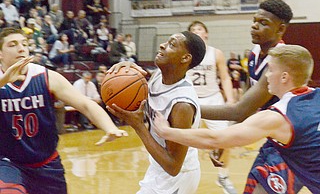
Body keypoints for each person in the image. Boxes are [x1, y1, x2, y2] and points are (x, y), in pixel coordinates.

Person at [154, 44, 319, 193]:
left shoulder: (277, 117)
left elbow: (215, 139)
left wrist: (166, 131)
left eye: (270, 70)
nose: (266, 75)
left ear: (284, 77)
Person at [0, 27, 127, 194]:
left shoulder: (46, 77)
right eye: (13, 44)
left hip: (47, 164)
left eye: (24, 43)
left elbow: (85, 104)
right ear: (0, 53)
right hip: (9, 163)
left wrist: (110, 127)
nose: (21, 48)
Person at [195, 0, 304, 193]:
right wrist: (225, 140)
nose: (255, 25)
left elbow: (239, 111)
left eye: (263, 23)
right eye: (254, 20)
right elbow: (248, 106)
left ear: (280, 29)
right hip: (276, 142)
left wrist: (186, 105)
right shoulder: (254, 55)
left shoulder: (281, 59)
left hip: (300, 146)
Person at [106, 31, 206, 194]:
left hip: (177, 177)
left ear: (185, 58)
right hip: (159, 170)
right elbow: (142, 99)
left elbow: (173, 166)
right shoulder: (159, 76)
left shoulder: (181, 105)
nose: (162, 45)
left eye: (172, 44)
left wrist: (139, 127)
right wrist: (129, 74)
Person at [186, 21, 237, 194]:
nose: (196, 31)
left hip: (213, 98)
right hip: (190, 100)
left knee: (226, 139)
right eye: (193, 30)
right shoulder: (185, 53)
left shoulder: (216, 53)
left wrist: (230, 99)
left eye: (199, 29)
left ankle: (223, 176)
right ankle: (181, 178)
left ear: (206, 34)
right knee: (183, 141)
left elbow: (224, 77)